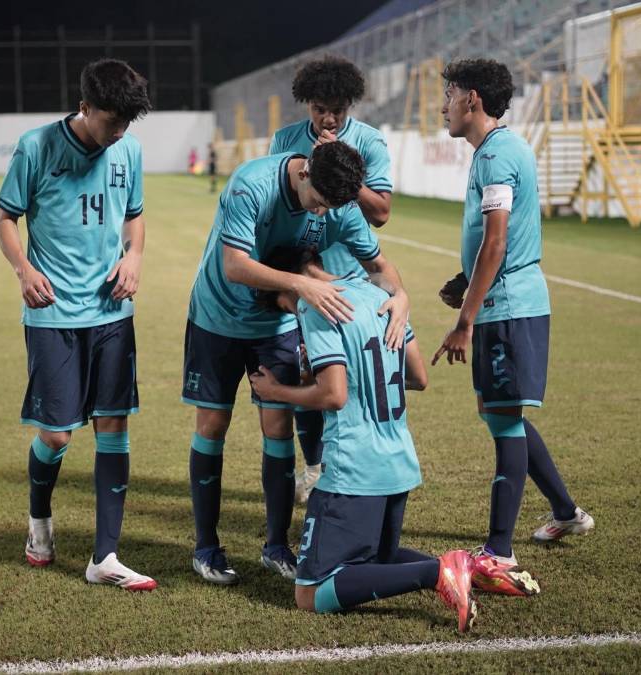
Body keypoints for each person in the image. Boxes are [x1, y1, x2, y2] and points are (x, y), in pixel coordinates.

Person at [183, 141, 411, 585]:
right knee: (212, 427)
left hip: (277, 325)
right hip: (217, 318)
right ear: (305, 172)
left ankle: (275, 546)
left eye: (332, 207)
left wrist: (399, 295)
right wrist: (302, 285)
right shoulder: (252, 184)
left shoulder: (339, 203)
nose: (324, 215)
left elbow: (378, 267)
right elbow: (234, 265)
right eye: (319, 204)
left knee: (278, 428)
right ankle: (206, 547)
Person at [249, 246, 507, 633]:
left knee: (310, 593)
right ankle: (469, 568)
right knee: (380, 558)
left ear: (291, 286)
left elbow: (333, 395)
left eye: (285, 306)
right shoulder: (382, 295)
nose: (292, 312)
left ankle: (440, 571)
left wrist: (277, 393)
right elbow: (418, 378)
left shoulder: (316, 305)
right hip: (397, 461)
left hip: (354, 468)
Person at [0, 58, 156, 591]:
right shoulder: (36, 146)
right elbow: (5, 220)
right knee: (57, 435)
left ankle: (105, 557)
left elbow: (134, 214)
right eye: (111, 121)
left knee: (114, 425)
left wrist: (133, 257)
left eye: (126, 124)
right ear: (84, 107)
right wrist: (23, 269)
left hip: (112, 311)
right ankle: (39, 519)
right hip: (54, 312)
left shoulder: (127, 149)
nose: (118, 133)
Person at [432, 58, 593, 596]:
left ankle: (498, 548)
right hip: (507, 298)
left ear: (472, 99)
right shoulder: (500, 149)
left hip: (508, 306)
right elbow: (494, 239)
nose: (443, 105)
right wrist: (466, 278)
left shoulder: (496, 156)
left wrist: (465, 319)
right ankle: (566, 511)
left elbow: (498, 241)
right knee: (501, 413)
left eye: (449, 94)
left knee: (503, 419)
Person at [269, 55, 396, 502]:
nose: (329, 117)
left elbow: (380, 212)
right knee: (307, 374)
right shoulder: (284, 140)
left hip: (352, 285)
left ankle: (352, 467)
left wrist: (335, 168)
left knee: (351, 382)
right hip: (302, 278)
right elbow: (276, 205)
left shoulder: (370, 141)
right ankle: (314, 466)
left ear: (350, 105)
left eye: (338, 108)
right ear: (307, 103)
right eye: (320, 107)